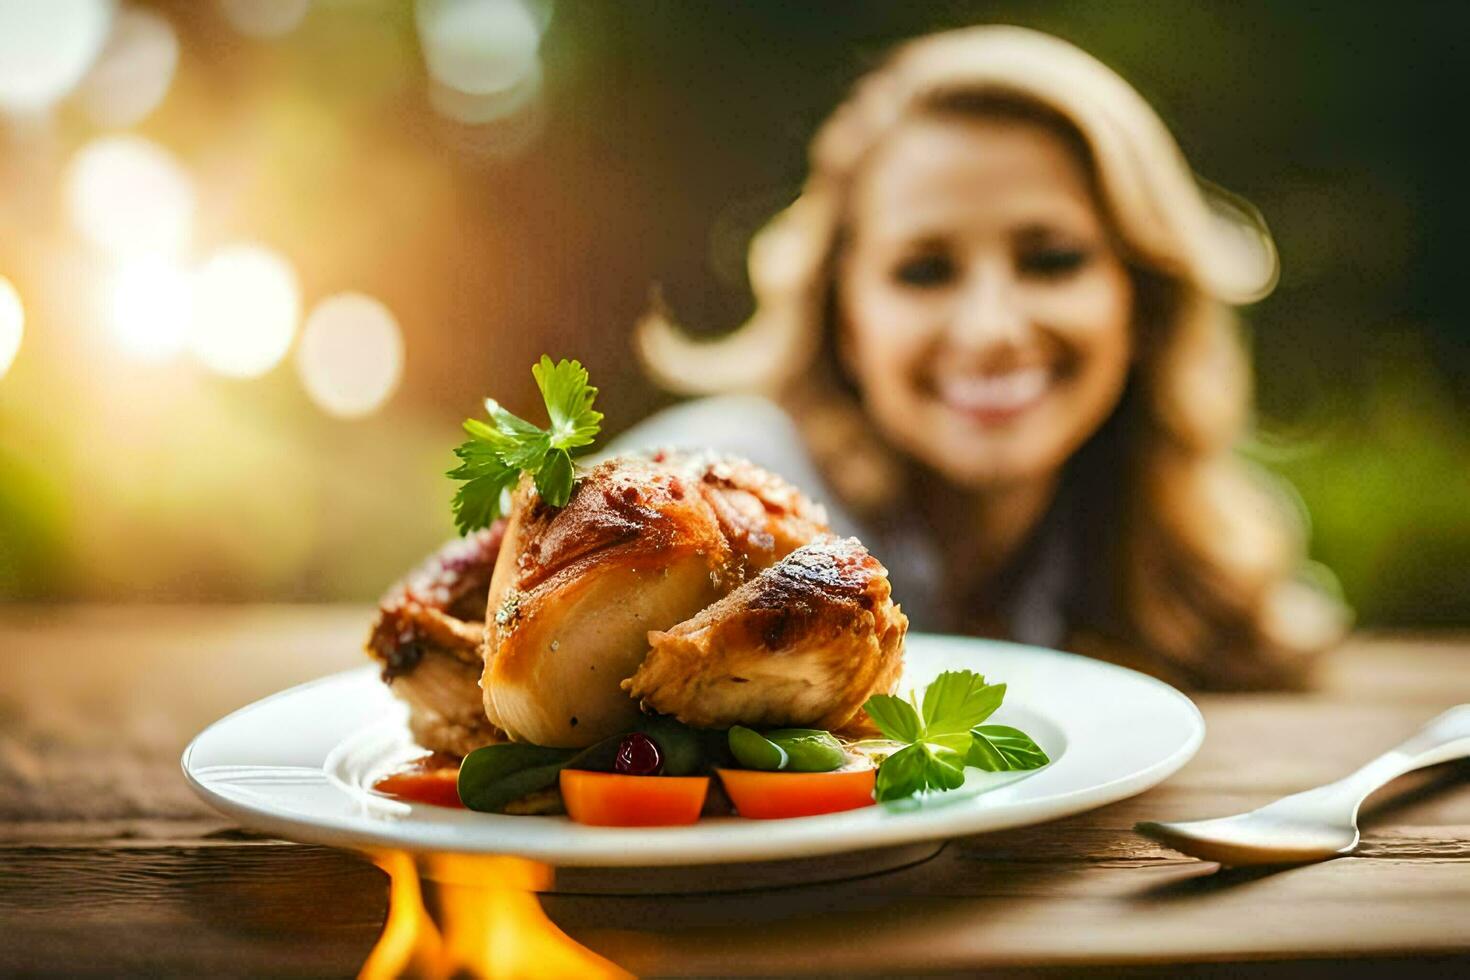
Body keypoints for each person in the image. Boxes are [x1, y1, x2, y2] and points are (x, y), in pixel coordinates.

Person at [616, 26, 1347, 689]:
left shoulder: (1172, 540)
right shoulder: (697, 494)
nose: (992, 328)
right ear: (846, 321)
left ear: (1143, 305)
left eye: (1052, 260)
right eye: (924, 271)